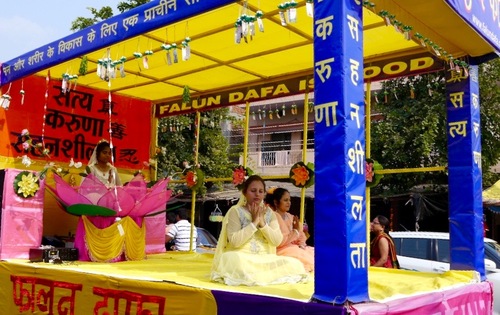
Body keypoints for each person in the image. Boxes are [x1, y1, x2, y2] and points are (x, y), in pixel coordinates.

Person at [211, 175, 308, 286]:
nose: (257, 194)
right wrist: (254, 223)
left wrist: (262, 223)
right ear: (244, 192)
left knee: (294, 264)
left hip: (264, 259)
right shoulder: (235, 211)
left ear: (264, 194)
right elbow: (234, 241)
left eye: (261, 191)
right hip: (242, 257)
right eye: (253, 191)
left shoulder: (269, 214)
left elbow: (276, 241)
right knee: (231, 258)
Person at [265, 187, 314, 272]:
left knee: (313, 252)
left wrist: (302, 245)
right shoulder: (274, 217)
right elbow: (280, 241)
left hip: (294, 247)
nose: (289, 203)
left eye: (289, 200)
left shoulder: (291, 217)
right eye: (285, 200)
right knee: (302, 258)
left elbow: (301, 235)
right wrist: (295, 231)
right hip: (281, 249)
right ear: (276, 202)